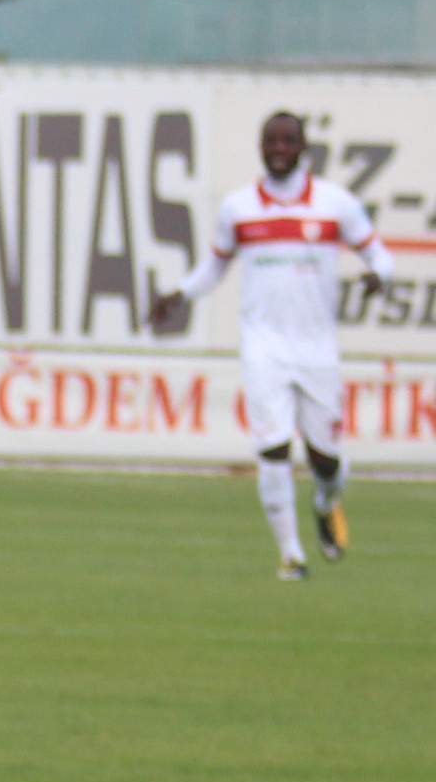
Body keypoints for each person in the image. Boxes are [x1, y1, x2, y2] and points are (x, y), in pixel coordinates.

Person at [150, 110, 393, 581]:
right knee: (272, 448)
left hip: (317, 349)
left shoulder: (334, 203)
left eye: (288, 141)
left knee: (325, 460)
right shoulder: (239, 208)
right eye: (271, 141)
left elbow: (379, 254)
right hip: (263, 347)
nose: (279, 149)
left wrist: (377, 276)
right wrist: (180, 294)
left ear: (303, 148)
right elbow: (216, 265)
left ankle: (326, 502)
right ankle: (291, 556)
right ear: (260, 147)